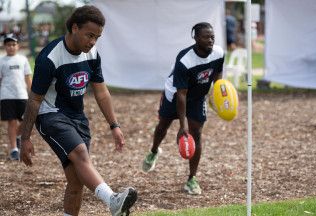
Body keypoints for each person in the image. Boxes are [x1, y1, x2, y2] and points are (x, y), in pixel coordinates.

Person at [19, 5, 137, 216]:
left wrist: (114, 125)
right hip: (50, 115)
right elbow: (35, 100)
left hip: (77, 117)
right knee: (81, 153)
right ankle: (112, 201)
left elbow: (101, 92)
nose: (92, 42)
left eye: (97, 37)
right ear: (74, 27)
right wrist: (25, 138)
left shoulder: (91, 54)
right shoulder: (49, 58)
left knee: (76, 182)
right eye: (89, 35)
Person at [142, 22, 225, 195]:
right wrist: (182, 125)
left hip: (197, 98)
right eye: (205, 37)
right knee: (163, 126)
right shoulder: (185, 60)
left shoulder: (218, 53)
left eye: (212, 37)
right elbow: (181, 94)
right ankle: (154, 151)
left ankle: (191, 179)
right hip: (175, 95)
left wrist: (218, 94)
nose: (210, 40)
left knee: (197, 134)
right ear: (195, 38)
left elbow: (218, 74)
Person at [0, 34, 32, 160]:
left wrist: (33, 94)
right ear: (5, 46)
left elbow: (28, 78)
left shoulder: (23, 60)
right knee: (12, 122)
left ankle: (18, 136)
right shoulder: (1, 61)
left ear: (18, 46)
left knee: (26, 121)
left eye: (13, 44)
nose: (11, 47)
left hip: (22, 95)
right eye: (8, 45)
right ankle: (14, 149)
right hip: (6, 95)